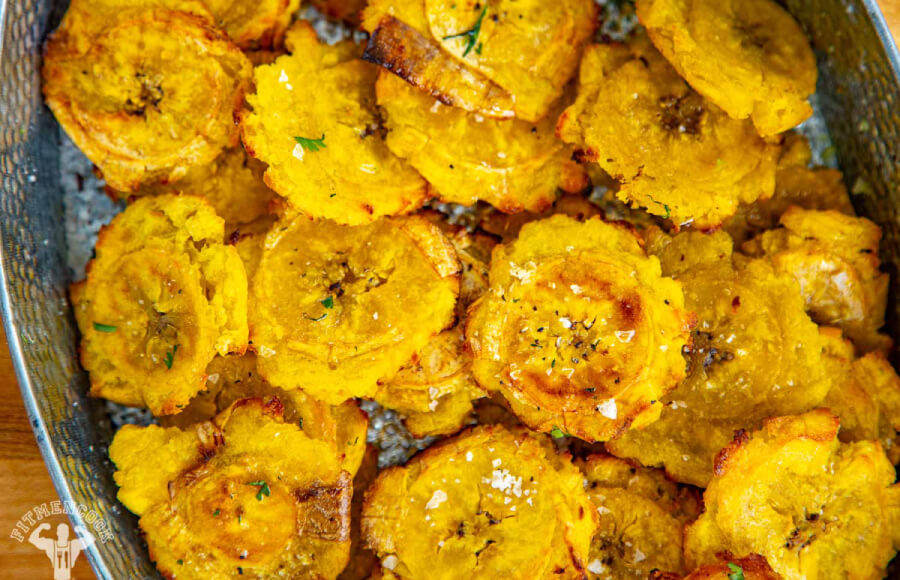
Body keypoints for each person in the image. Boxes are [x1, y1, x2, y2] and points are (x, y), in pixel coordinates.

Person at [28, 522, 96, 580]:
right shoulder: (51, 545)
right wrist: (41, 527)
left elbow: (91, 539)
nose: (63, 534)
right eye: (61, 531)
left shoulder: (73, 545)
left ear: (68, 533)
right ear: (57, 533)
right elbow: (32, 539)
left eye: (65, 531)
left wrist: (81, 529)